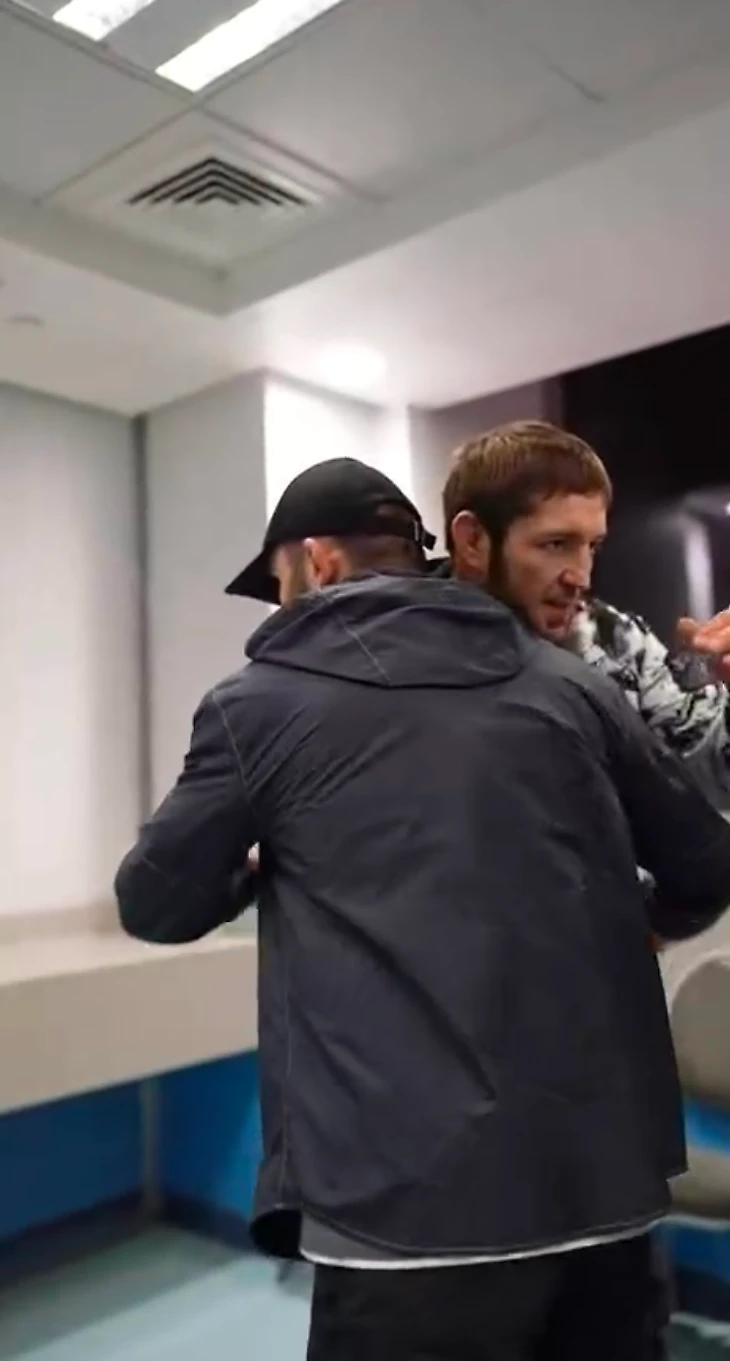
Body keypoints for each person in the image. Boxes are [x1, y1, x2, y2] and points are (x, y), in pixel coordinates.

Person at [116, 457, 730, 1361]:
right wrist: (649, 920)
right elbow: (706, 864)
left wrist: (254, 868)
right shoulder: (576, 686)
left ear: (317, 562)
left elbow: (153, 902)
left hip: (402, 1217)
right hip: (605, 1198)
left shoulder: (258, 706)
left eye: (277, 583)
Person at [440, 420, 730, 802]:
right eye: (556, 544)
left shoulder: (616, 642)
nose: (581, 577)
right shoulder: (408, 660)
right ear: (473, 541)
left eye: (592, 546)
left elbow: (708, 769)